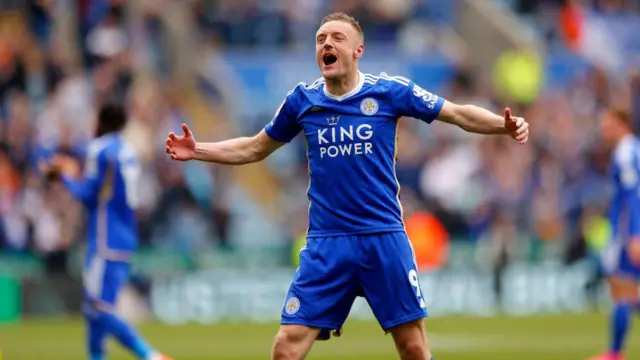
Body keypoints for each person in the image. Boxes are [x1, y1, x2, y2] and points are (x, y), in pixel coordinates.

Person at [165, 13, 529, 360]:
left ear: (358, 50)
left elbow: (457, 113)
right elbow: (255, 147)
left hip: (382, 237)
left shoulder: (389, 92)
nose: (327, 43)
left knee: (414, 349)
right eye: (321, 38)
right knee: (286, 346)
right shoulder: (302, 101)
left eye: (338, 38)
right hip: (327, 243)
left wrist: (503, 125)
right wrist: (199, 150)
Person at [43, 104, 172, 360]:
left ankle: (150, 355)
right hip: (125, 236)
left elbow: (89, 196)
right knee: (94, 307)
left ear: (101, 122)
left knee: (98, 308)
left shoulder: (99, 149)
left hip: (104, 237)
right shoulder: (128, 151)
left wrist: (64, 178)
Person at [589, 108, 640, 360]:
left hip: (629, 231)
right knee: (624, 291)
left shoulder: (626, 153)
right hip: (626, 228)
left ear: (622, 123)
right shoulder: (632, 150)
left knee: (623, 289)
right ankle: (615, 352)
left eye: (607, 124)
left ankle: (615, 353)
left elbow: (633, 196)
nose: (603, 130)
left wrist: (635, 234)